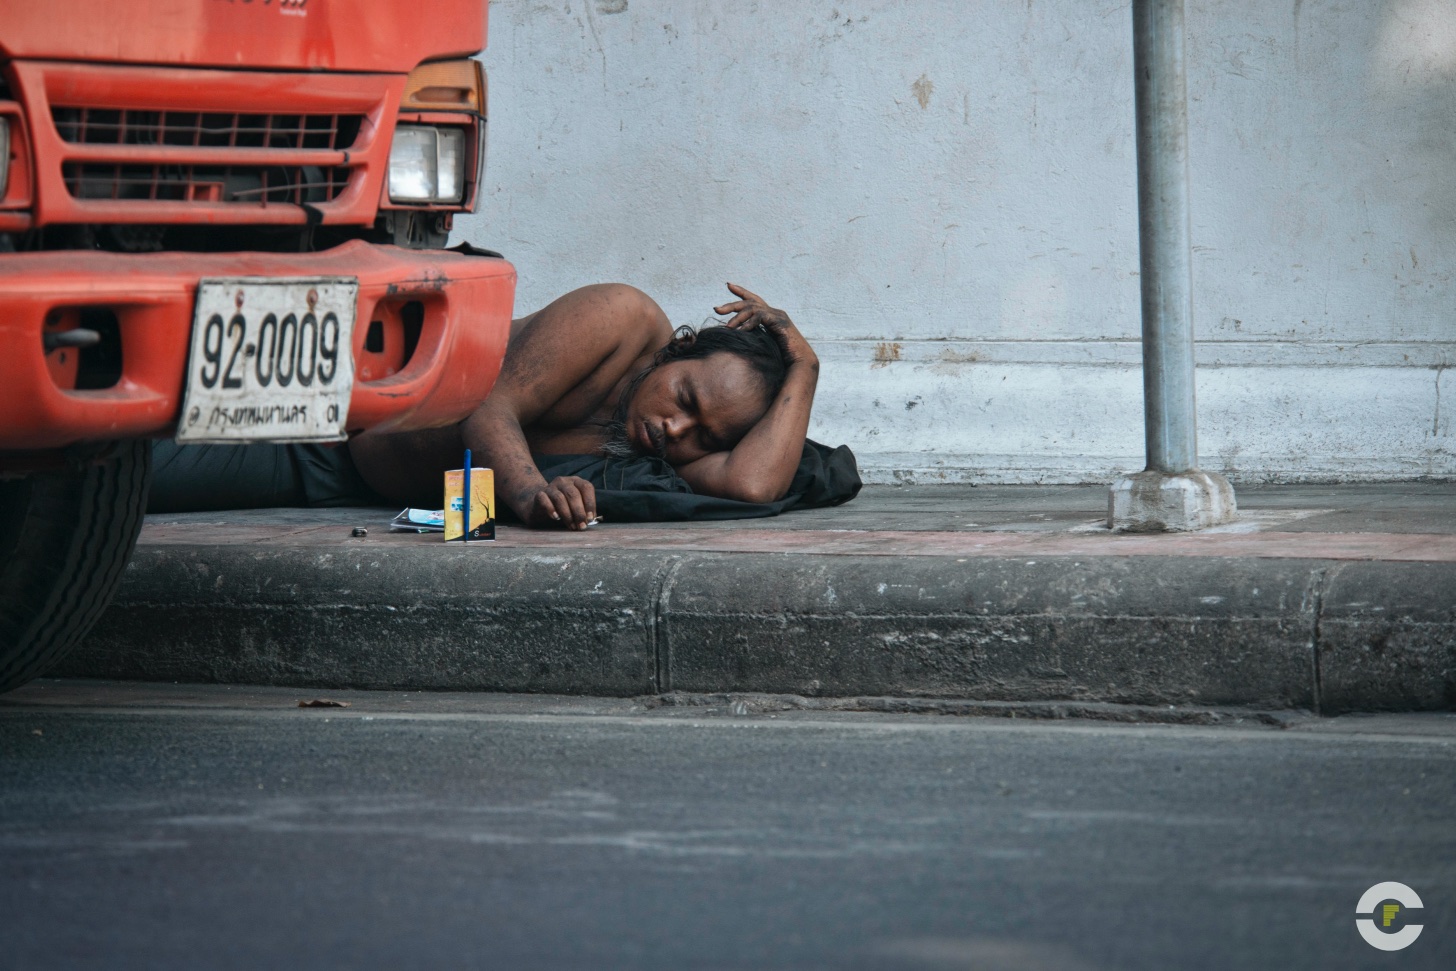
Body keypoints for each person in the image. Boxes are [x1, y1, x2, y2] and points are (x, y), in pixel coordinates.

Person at [348, 283, 821, 529]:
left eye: (705, 437)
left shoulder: (659, 454)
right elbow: (486, 404)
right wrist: (533, 494)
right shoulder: (621, 317)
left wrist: (806, 366)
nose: (676, 429)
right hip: (333, 428)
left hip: (366, 494)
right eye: (684, 398)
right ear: (679, 348)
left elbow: (753, 485)